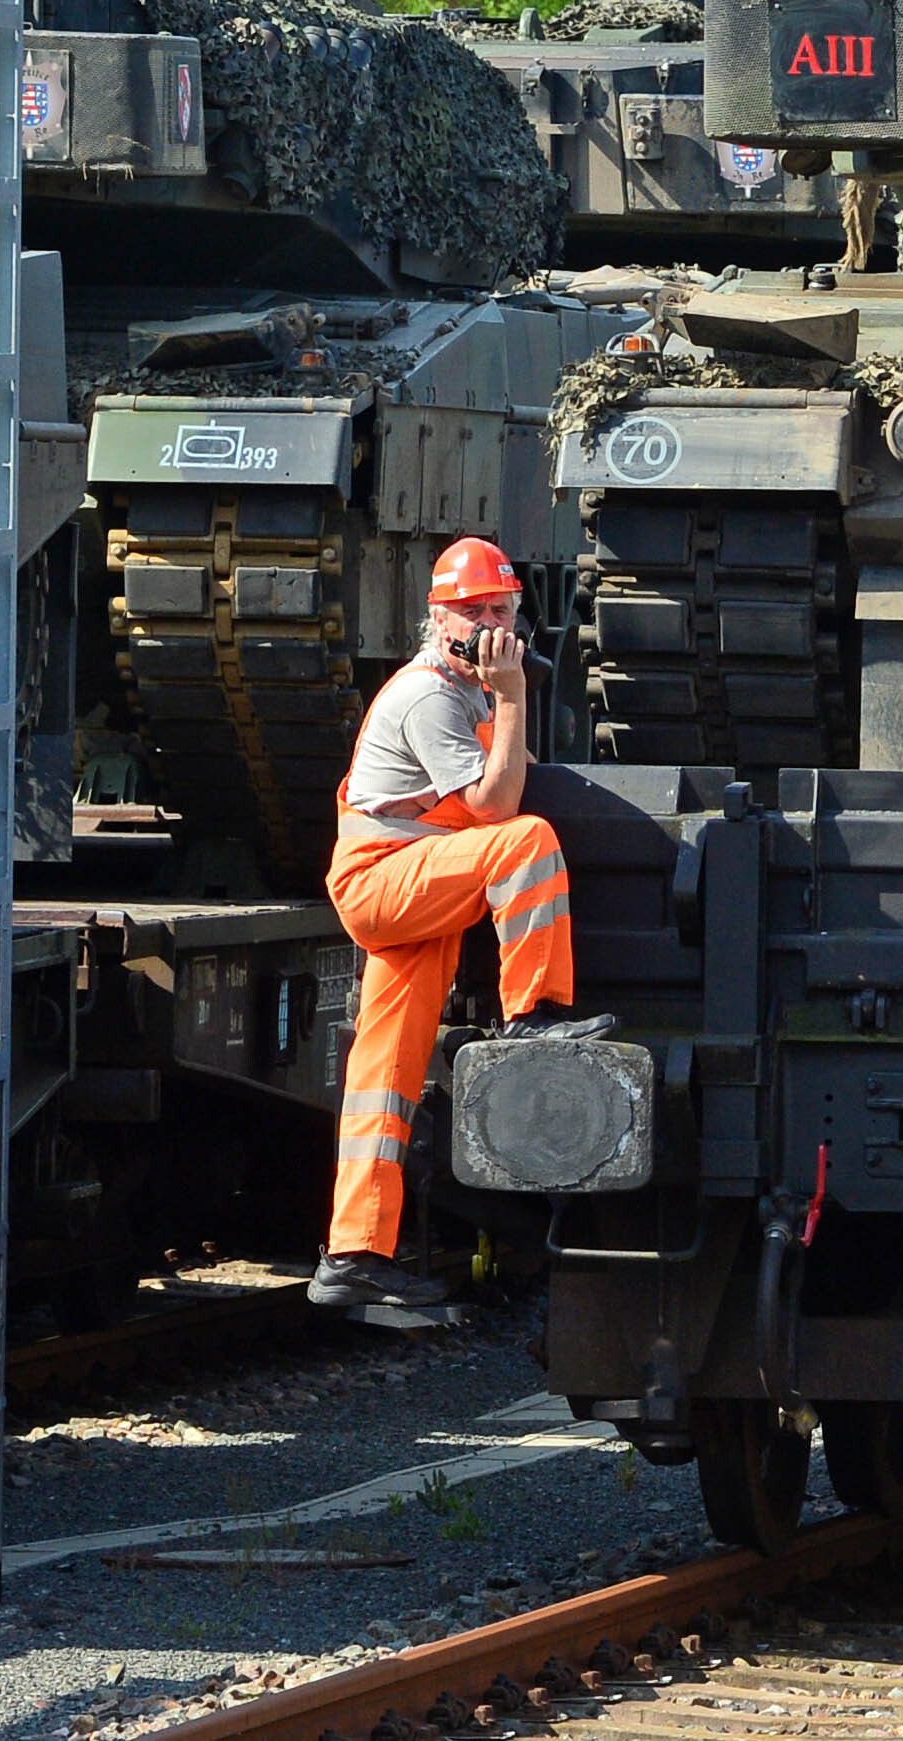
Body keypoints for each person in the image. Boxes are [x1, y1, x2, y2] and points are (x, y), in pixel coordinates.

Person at [312, 534, 605, 1317]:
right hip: (385, 878)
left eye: (502, 609)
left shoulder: (470, 688)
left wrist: (504, 695)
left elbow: (514, 773)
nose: (490, 623)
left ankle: (354, 1254)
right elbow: (497, 809)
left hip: (420, 883)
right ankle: (534, 1013)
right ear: (439, 618)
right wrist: (511, 696)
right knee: (528, 842)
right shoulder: (433, 695)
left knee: (383, 1078)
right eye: (473, 610)